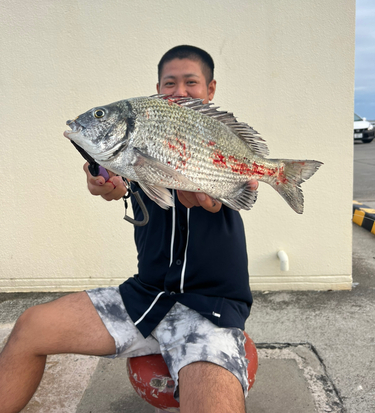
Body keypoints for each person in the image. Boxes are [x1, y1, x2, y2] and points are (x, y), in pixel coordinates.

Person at [0, 45, 258, 413]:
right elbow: (116, 182)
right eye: (170, 82)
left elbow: (226, 197)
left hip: (210, 307)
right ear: (157, 88)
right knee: (30, 327)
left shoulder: (217, 142)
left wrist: (212, 194)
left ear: (210, 89)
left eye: (191, 82)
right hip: (145, 296)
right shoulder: (140, 140)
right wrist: (104, 181)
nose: (179, 90)